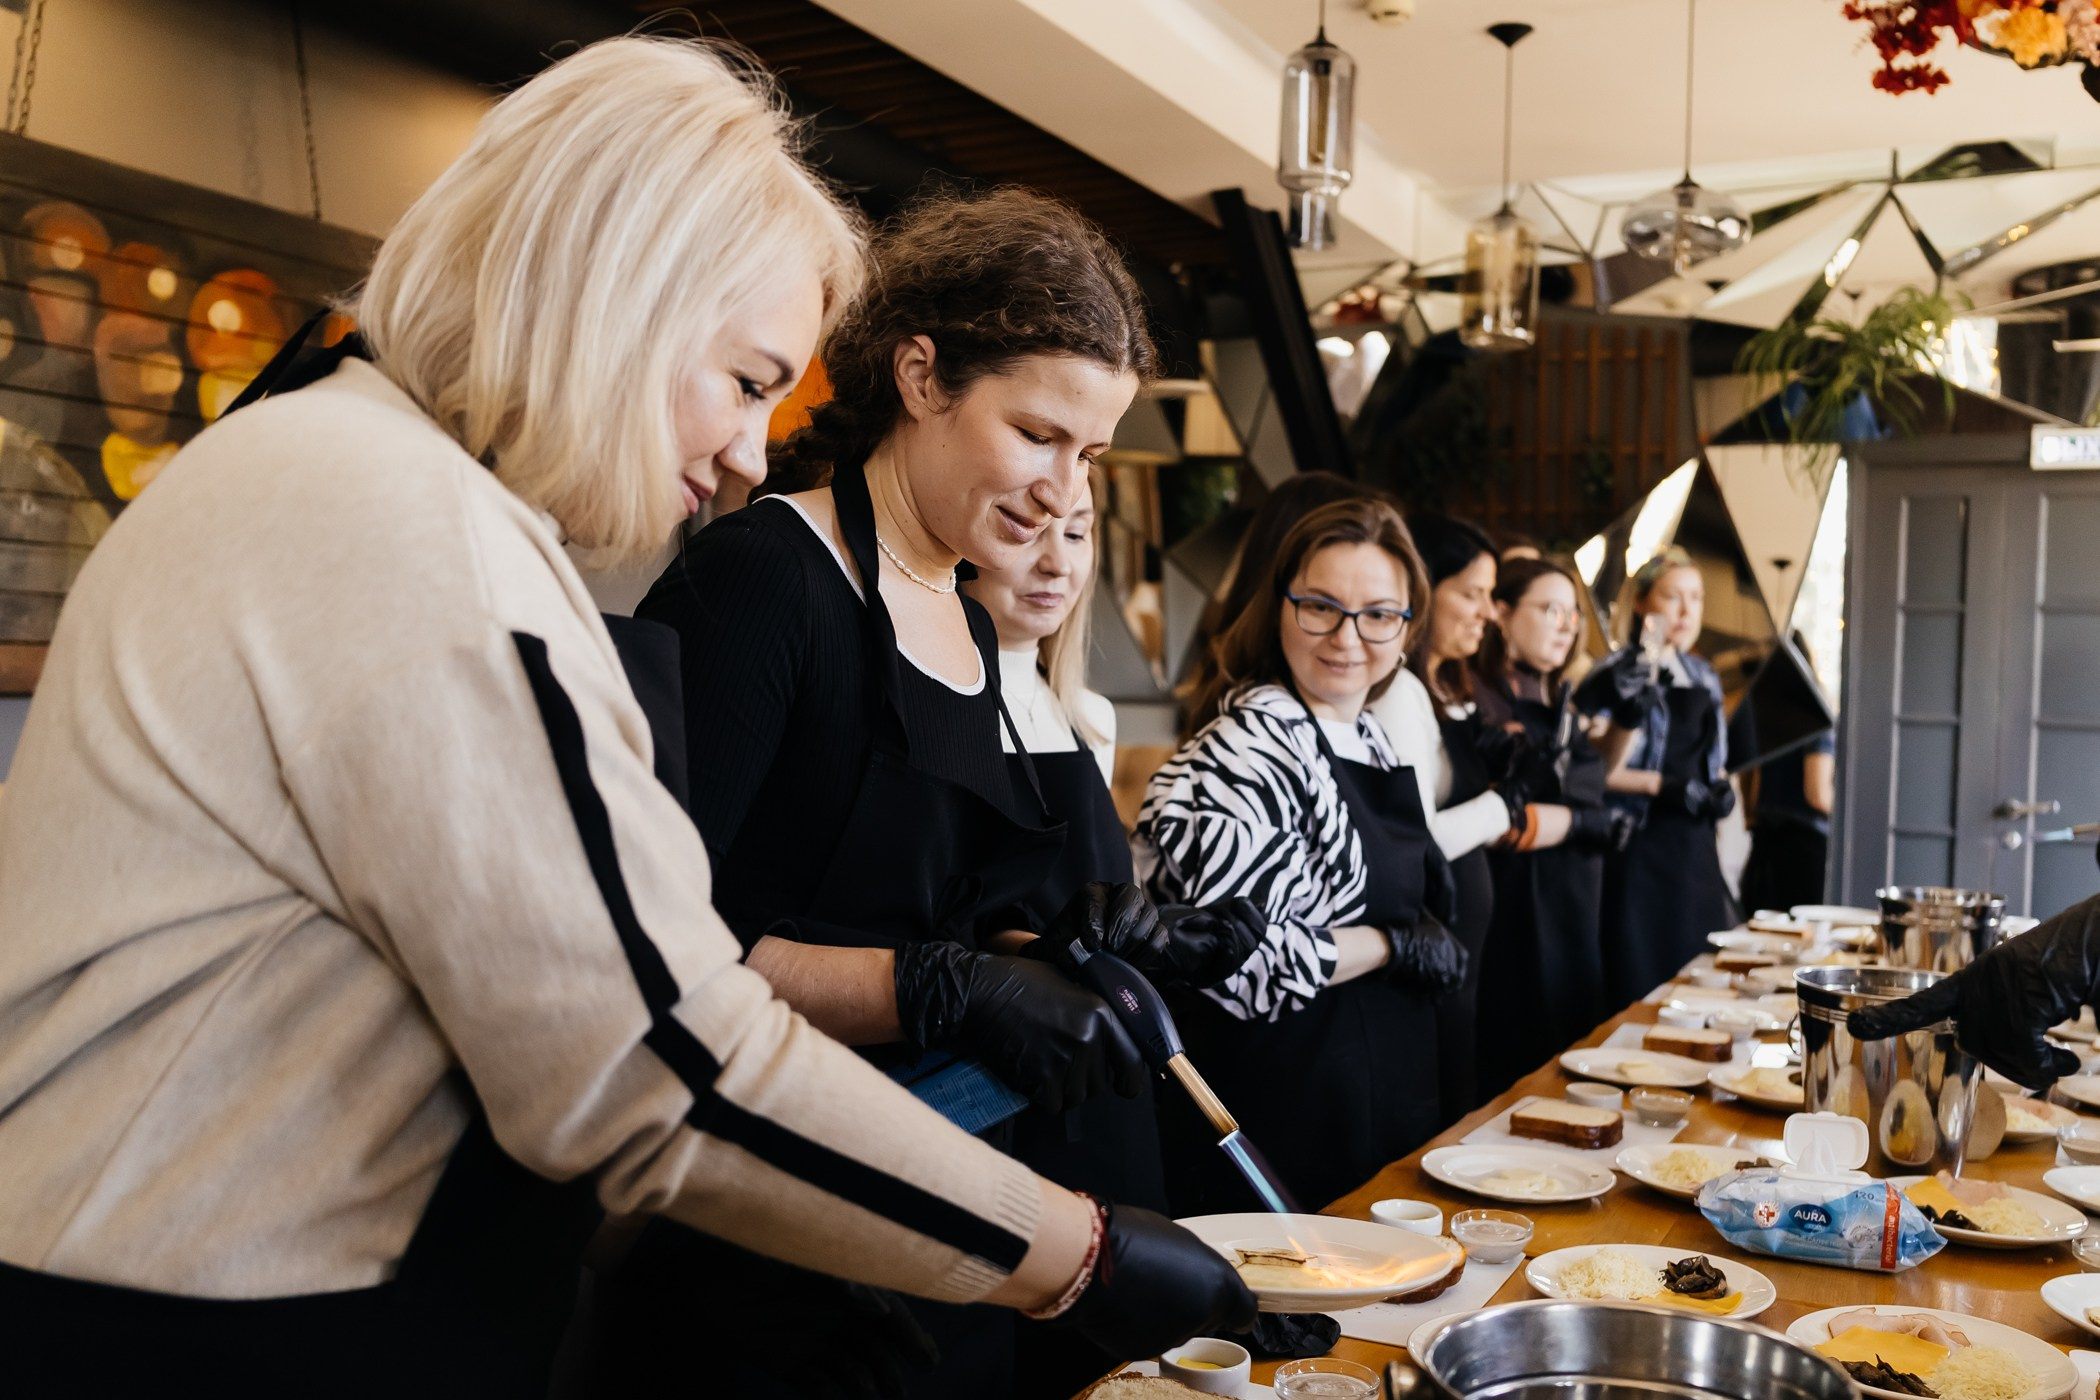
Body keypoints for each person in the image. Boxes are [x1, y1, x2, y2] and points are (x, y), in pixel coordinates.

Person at [0, 41, 1252, 1396]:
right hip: (219, 1324)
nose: (749, 454)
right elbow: (652, 1065)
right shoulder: (409, 526)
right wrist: (1077, 1258)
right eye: (747, 378)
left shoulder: (336, 464)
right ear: (619, 298)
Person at [628, 187, 1255, 1397]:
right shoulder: (762, 581)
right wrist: (934, 987)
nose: (1066, 493)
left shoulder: (966, 617)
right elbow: (647, 962)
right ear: (920, 376)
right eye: (1038, 435)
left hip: (932, 1209)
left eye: (1091, 453)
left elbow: (930, 906)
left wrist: (1061, 947)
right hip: (753, 1224)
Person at [961, 478, 1261, 1398]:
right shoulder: (940, 710)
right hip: (992, 1091)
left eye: (1081, 534)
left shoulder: (1083, 713)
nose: (1057, 561)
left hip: (1105, 1085)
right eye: (1030, 529)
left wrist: (1163, 933)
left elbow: (1100, 904)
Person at [1137, 498, 1463, 1215]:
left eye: (1379, 614)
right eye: (1321, 606)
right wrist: (1390, 945)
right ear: (1280, 606)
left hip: (1384, 1096)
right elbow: (1247, 965)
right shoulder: (1244, 746)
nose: (1348, 638)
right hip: (1287, 1115)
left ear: (1408, 630)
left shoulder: (1368, 736)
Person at [1368, 514, 1518, 1120]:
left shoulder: (1447, 689)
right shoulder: (1402, 692)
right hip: (1432, 940)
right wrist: (1505, 804)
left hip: (1461, 942)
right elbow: (1419, 839)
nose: (1488, 612)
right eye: (1472, 593)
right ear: (1426, 589)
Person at [1470, 558, 1635, 1097]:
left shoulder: (1556, 694)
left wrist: (1624, 720)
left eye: (1572, 613)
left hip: (1576, 901)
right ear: (1501, 613)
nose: (1567, 624)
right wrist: (1586, 824)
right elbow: (1502, 820)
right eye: (1550, 610)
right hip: (1519, 908)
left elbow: (1592, 777)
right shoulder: (1481, 699)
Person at [1577, 547, 1736, 1008]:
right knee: (1641, 986)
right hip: (1636, 847)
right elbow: (1589, 772)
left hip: (1695, 852)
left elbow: (1716, 761)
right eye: (1673, 597)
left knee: (1701, 983)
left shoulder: (1705, 675)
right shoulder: (1616, 673)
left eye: (1697, 598)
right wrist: (1660, 787)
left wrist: (1719, 790)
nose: (1687, 611)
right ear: (1643, 602)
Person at [1738, 727, 1836, 913]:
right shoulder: (1819, 720)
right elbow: (1818, 794)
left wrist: (1751, 817)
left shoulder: (1777, 712)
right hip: (1804, 853)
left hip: (1763, 845)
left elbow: (1749, 771)